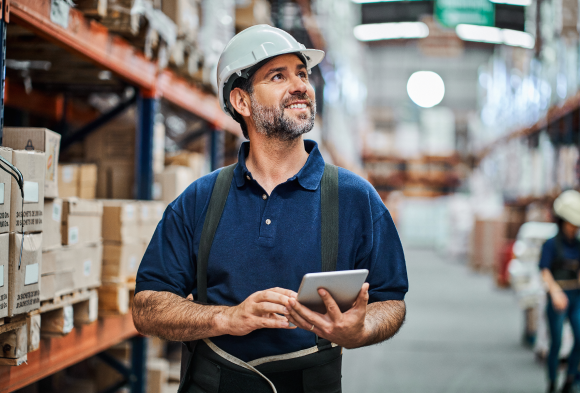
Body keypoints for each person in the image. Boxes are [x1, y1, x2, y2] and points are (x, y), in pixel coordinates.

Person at [132, 25, 408, 393]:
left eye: (302, 74)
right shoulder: (200, 199)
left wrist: (360, 329)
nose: (300, 86)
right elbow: (148, 307)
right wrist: (227, 318)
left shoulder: (356, 198)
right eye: (278, 76)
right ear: (242, 102)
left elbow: (391, 301)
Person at [540, 190, 580, 393]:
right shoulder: (551, 244)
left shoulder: (578, 244)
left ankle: (570, 379)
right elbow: (545, 271)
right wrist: (555, 293)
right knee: (555, 342)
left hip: (576, 296)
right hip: (558, 297)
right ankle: (552, 381)